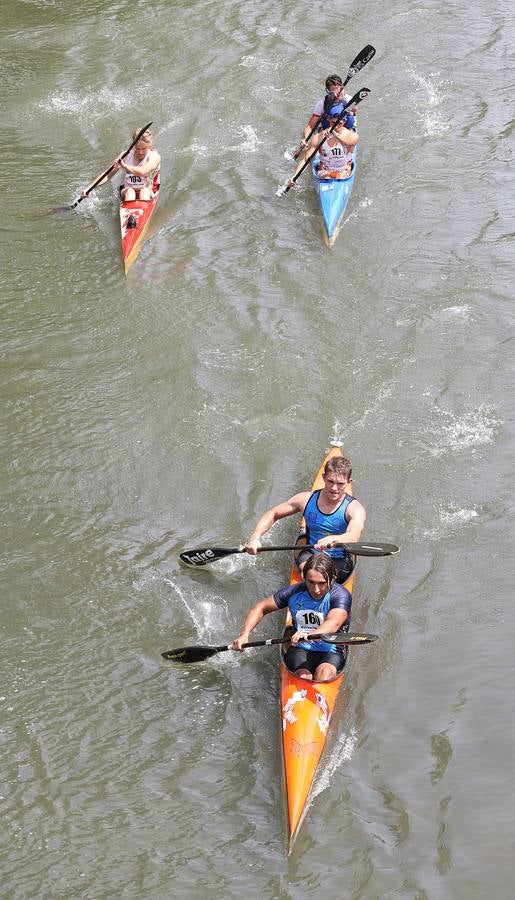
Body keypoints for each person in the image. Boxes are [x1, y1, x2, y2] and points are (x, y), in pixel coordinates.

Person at [245, 454, 366, 583]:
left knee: (323, 577)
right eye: (330, 481)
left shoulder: (354, 508)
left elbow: (353, 535)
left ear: (349, 482)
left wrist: (333, 539)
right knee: (310, 573)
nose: (334, 488)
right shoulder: (305, 499)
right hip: (310, 553)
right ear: (323, 477)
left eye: (340, 484)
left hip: (339, 559)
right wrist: (255, 538)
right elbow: (273, 513)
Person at [232, 555, 351, 682]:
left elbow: (334, 623)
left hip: (331, 650)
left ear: (332, 579)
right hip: (301, 648)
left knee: (324, 674)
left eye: (322, 583)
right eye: (311, 582)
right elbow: (261, 608)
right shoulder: (294, 592)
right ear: (304, 578)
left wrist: (309, 634)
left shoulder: (340, 595)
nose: (316, 590)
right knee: (304, 677)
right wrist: (244, 634)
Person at [80, 127, 161, 202]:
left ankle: (141, 215)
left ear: (150, 146)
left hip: (148, 190)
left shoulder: (154, 156)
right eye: (137, 148)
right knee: (130, 192)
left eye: (144, 149)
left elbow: (143, 171)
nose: (140, 152)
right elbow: (107, 175)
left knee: (144, 192)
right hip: (127, 190)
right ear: (133, 146)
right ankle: (129, 215)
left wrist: (125, 166)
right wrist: (89, 188)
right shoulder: (125, 155)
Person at [291, 103, 358, 184]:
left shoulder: (352, 135)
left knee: (341, 176)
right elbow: (306, 160)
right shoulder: (318, 137)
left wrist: (337, 136)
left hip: (344, 170)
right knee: (326, 176)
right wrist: (294, 177)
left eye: (339, 123)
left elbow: (350, 143)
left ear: (344, 121)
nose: (336, 126)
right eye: (333, 123)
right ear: (329, 120)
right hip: (324, 170)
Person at [300, 75, 355, 147]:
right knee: (311, 146)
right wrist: (305, 139)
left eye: (339, 91)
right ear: (328, 91)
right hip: (327, 131)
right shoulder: (322, 104)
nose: (337, 96)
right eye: (333, 93)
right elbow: (310, 126)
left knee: (350, 118)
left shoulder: (349, 100)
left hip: (344, 130)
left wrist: (346, 103)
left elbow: (355, 110)